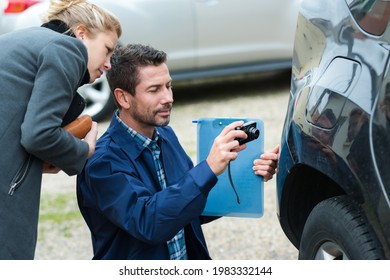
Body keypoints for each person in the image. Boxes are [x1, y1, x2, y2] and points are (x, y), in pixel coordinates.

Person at [77, 43, 279, 260]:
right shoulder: (102, 162)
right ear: (123, 98)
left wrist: (250, 175)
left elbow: (187, 208)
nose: (168, 98)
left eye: (169, 86)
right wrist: (208, 168)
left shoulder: (166, 136)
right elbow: (149, 222)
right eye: (154, 90)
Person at [0, 0, 121, 259]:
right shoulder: (67, 48)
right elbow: (38, 135)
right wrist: (83, 150)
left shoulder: (21, 40)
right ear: (81, 34)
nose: (109, 63)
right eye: (107, 50)